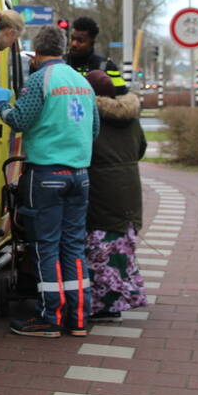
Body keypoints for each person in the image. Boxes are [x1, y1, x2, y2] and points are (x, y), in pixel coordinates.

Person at [0, 24, 100, 337]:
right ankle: (78, 317)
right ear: (62, 49)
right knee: (74, 246)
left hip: (47, 175)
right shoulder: (83, 82)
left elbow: (20, 120)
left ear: (36, 53)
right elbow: (94, 130)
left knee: (45, 246)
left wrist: (1, 105)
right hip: (80, 175)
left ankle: (50, 317)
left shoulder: (40, 80)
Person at [82, 69, 148, 322]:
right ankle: (116, 300)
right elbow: (141, 147)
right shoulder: (131, 116)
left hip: (101, 188)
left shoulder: (89, 114)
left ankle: (101, 305)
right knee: (119, 246)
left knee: (98, 247)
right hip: (129, 188)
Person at [66, 16, 128, 95]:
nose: (74, 44)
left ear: (92, 42)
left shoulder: (107, 67)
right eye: (72, 39)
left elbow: (122, 99)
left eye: (80, 40)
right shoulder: (61, 65)